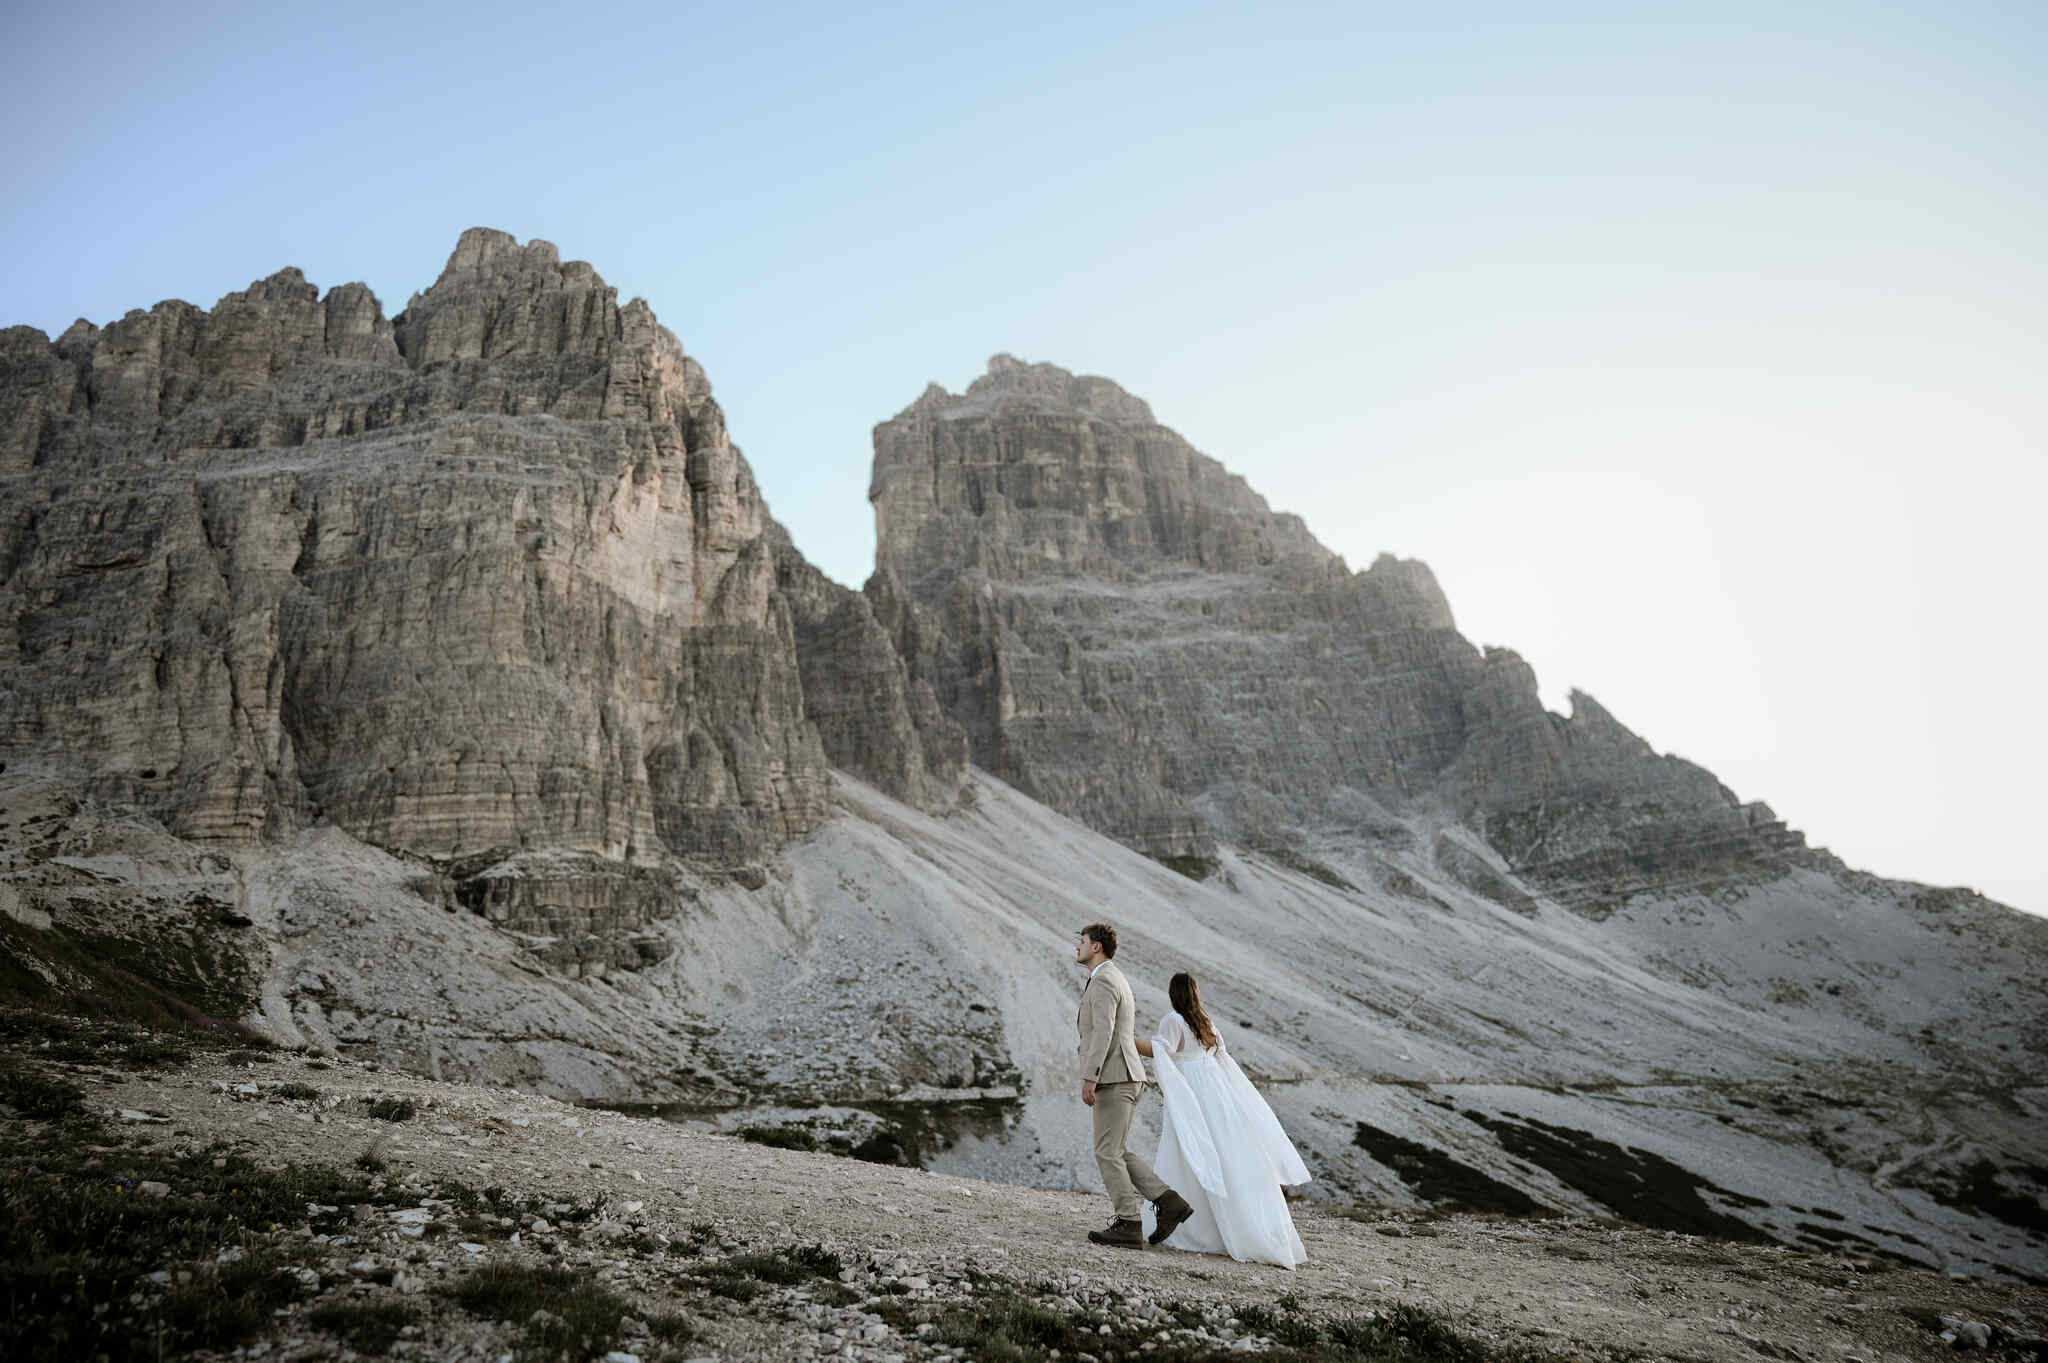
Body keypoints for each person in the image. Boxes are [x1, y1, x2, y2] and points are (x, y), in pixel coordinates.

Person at [1134, 971, 1310, 1268]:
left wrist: (1126, 1040)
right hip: (1215, 1091)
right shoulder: (1206, 1022)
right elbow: (1220, 1057)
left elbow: (1161, 1050)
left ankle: (1194, 1228)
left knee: (1188, 1151)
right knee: (1222, 1153)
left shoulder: (1174, 1020)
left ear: (1173, 994)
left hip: (1192, 1092)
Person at [1073, 922, 1194, 1248]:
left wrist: (1090, 1075)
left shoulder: (1104, 980)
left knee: (1106, 1152)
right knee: (1116, 1150)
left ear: (1096, 946)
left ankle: (1129, 1222)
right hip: (1123, 1074)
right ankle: (1169, 1202)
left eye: (1082, 941)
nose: (1077, 947)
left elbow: (1103, 1031)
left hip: (1115, 1075)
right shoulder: (1111, 977)